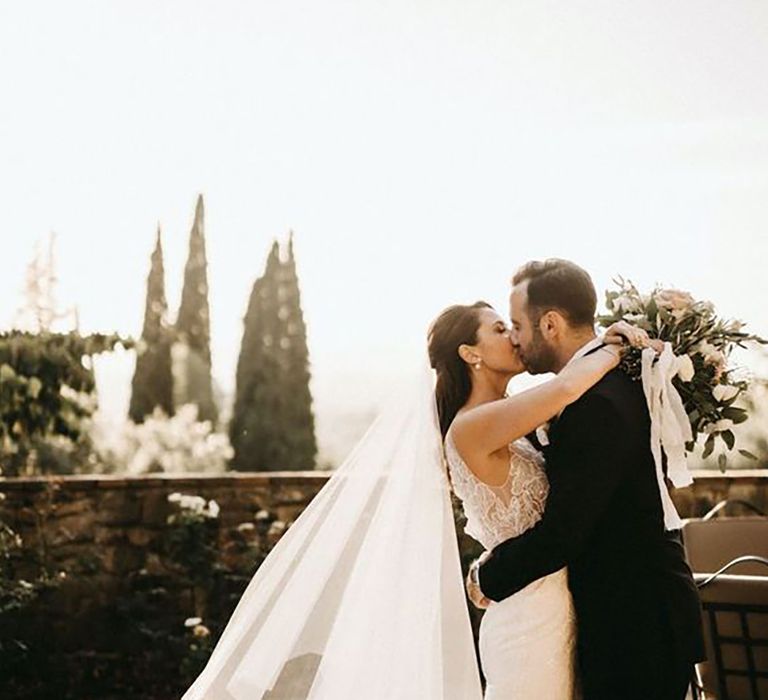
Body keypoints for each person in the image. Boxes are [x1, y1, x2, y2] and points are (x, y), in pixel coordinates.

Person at [466, 259, 705, 700]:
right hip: (630, 615)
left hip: (635, 624)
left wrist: (487, 576)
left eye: (517, 325)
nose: (515, 338)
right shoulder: (602, 381)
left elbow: (565, 533)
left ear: (551, 324)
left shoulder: (595, 403)